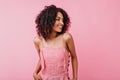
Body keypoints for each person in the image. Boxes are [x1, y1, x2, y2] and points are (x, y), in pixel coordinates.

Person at [33, 5, 78, 80]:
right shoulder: (38, 41)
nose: (62, 23)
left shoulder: (66, 38)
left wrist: (75, 78)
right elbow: (42, 59)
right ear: (48, 20)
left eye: (63, 20)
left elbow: (74, 57)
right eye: (58, 19)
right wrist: (35, 73)